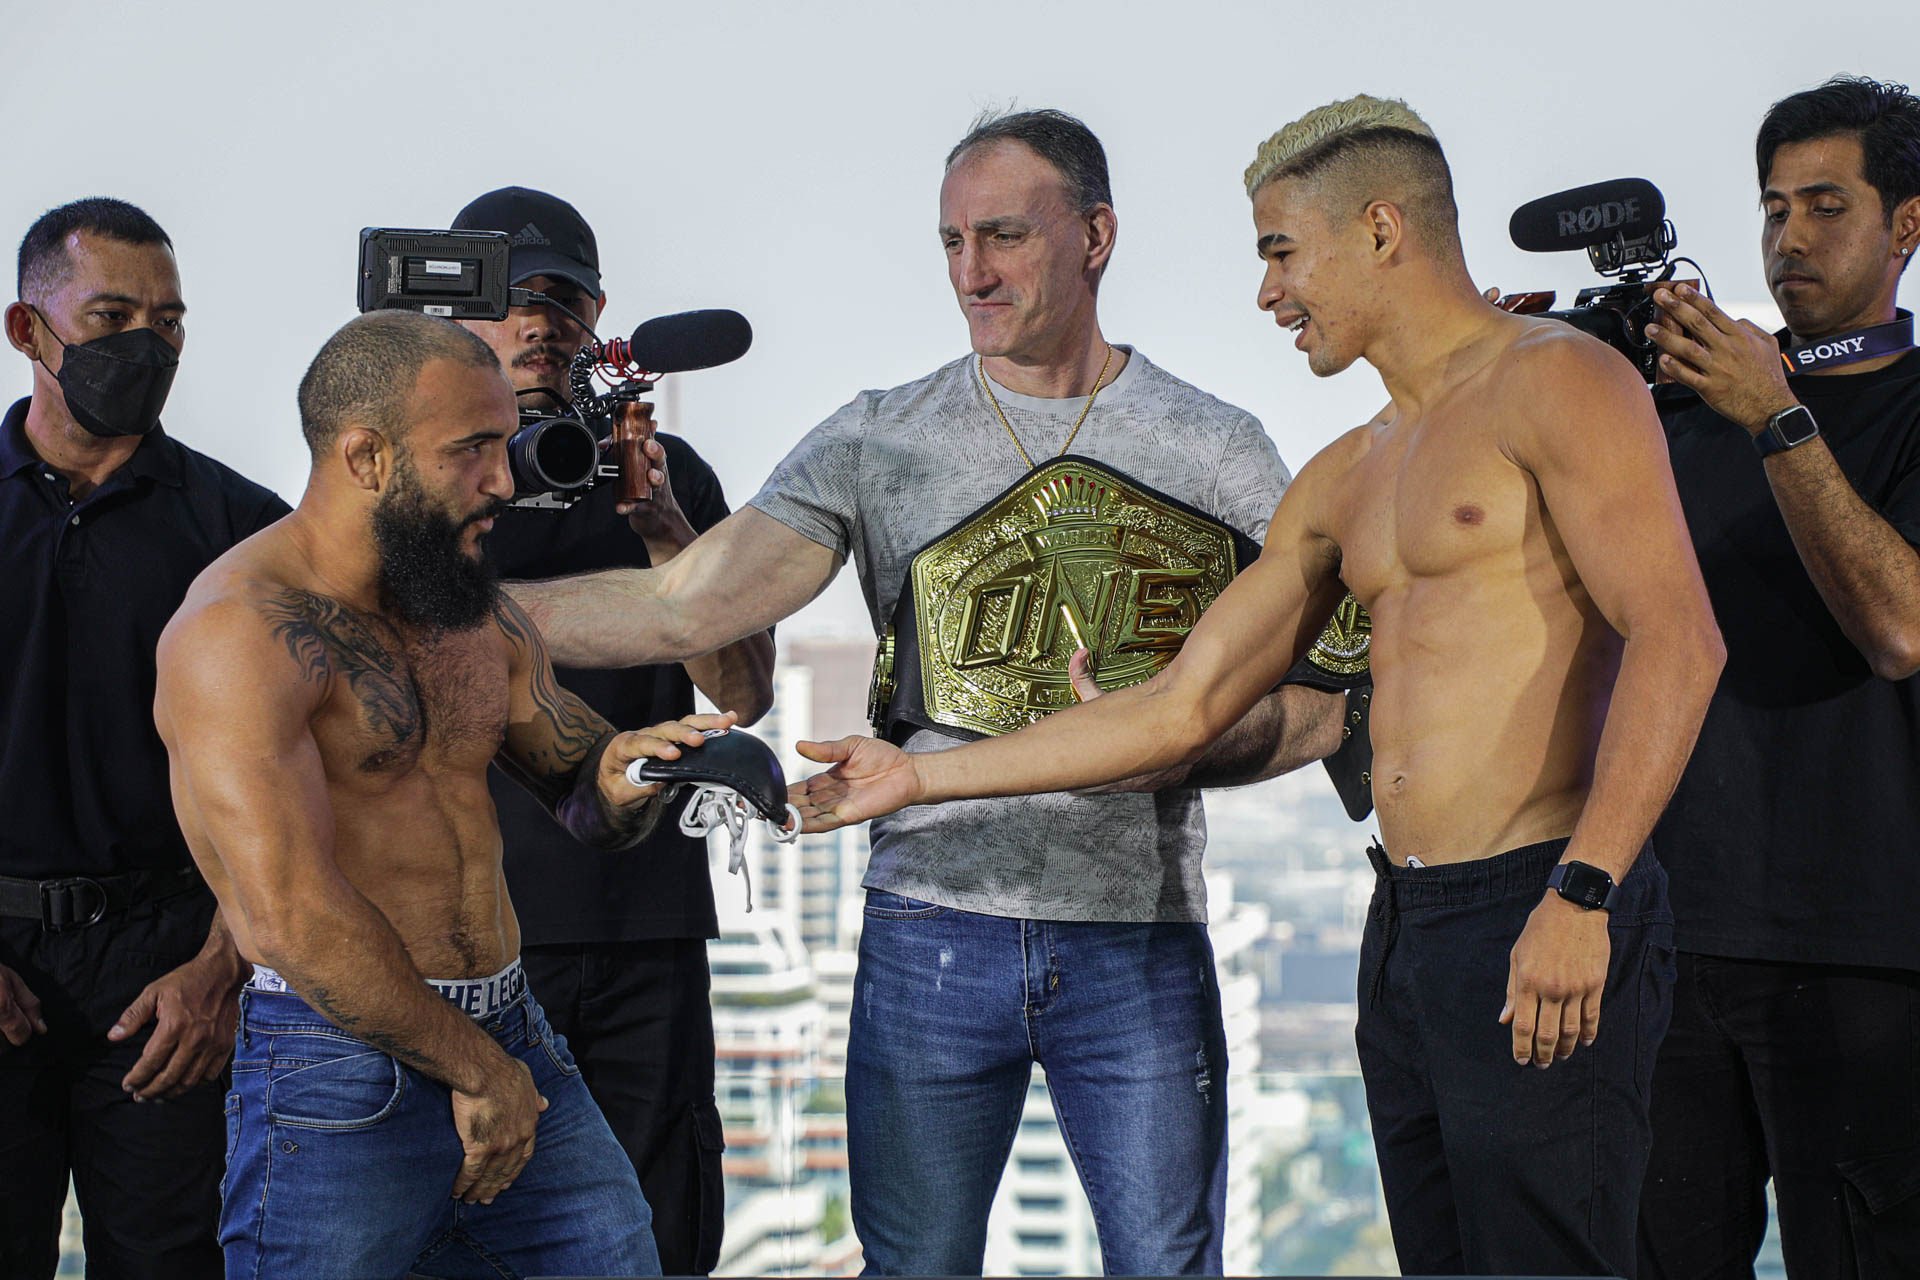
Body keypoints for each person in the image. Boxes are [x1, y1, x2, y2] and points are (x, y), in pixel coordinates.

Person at [790, 94, 1728, 1279]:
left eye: (1284, 252)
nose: (1269, 293)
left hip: (1543, 896)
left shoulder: (1562, 380)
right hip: (1408, 924)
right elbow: (1180, 706)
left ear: (1382, 230)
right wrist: (918, 772)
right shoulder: (1348, 472)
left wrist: (1583, 891)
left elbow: (1679, 641)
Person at [508, 108, 1345, 1275]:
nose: (971, 273)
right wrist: (433, 619)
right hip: (928, 934)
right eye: (950, 241)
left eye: (1001, 235)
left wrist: (1190, 733)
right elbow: (688, 608)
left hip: (1138, 941)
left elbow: (1329, 697)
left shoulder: (1217, 447)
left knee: (1168, 1262)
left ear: (1097, 233)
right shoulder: (876, 439)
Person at [153, 308, 733, 1278]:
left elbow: (579, 785)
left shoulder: (468, 608)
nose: (504, 480)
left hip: (513, 1026)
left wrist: (641, 764)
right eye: (471, 450)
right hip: (339, 1061)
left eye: (503, 445)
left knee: (622, 1256)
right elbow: (288, 916)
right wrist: (477, 1068)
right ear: (367, 457)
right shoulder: (237, 634)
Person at [451, 184, 773, 1276]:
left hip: (646, 930)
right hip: (476, 935)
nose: (536, 320)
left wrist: (666, 537)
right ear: (457, 313)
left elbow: (745, 688)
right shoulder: (421, 480)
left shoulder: (665, 474)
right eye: (506, 296)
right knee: (474, 1222)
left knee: (656, 1230)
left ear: (598, 316)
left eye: (562, 297)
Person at [1635, 75, 1920, 1279]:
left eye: (1825, 204)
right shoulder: (1683, 416)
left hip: (1868, 946)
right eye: (1770, 208)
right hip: (1670, 937)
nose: (1788, 236)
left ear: (1906, 225)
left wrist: (1778, 416)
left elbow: (1900, 627)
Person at [0, 197, 287, 1279]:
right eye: (113, 313)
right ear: (30, 331)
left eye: (169, 321)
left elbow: (304, 778)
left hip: (169, 973)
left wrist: (221, 966)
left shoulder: (244, 531)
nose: (148, 344)